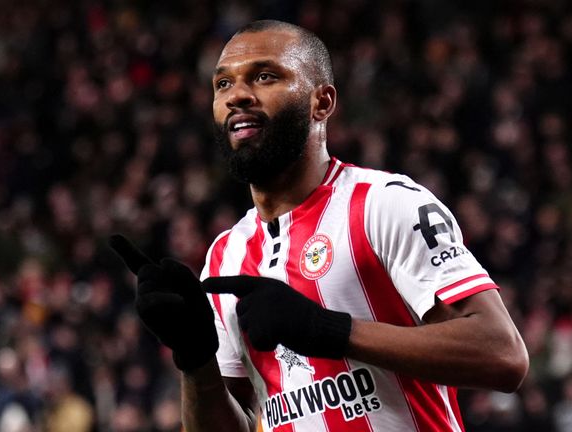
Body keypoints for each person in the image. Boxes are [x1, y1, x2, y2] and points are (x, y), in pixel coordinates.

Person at [110, 20, 529, 432]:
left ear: (322, 102)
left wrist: (329, 330)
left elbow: (503, 355)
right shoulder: (223, 258)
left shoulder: (385, 204)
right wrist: (195, 360)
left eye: (265, 76)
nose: (237, 95)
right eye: (222, 84)